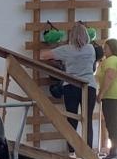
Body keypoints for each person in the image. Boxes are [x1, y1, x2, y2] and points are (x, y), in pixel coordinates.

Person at [40, 22, 97, 150]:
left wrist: (59, 57)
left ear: (72, 36)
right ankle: (88, 152)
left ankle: (71, 149)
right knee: (87, 120)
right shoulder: (90, 48)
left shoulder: (66, 49)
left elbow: (43, 55)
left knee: (72, 118)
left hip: (71, 85)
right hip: (89, 86)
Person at [96, 38, 117, 159]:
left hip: (111, 96)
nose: (104, 50)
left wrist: (101, 94)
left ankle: (114, 150)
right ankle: (114, 149)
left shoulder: (110, 60)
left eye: (106, 48)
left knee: (111, 123)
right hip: (113, 96)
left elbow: (109, 76)